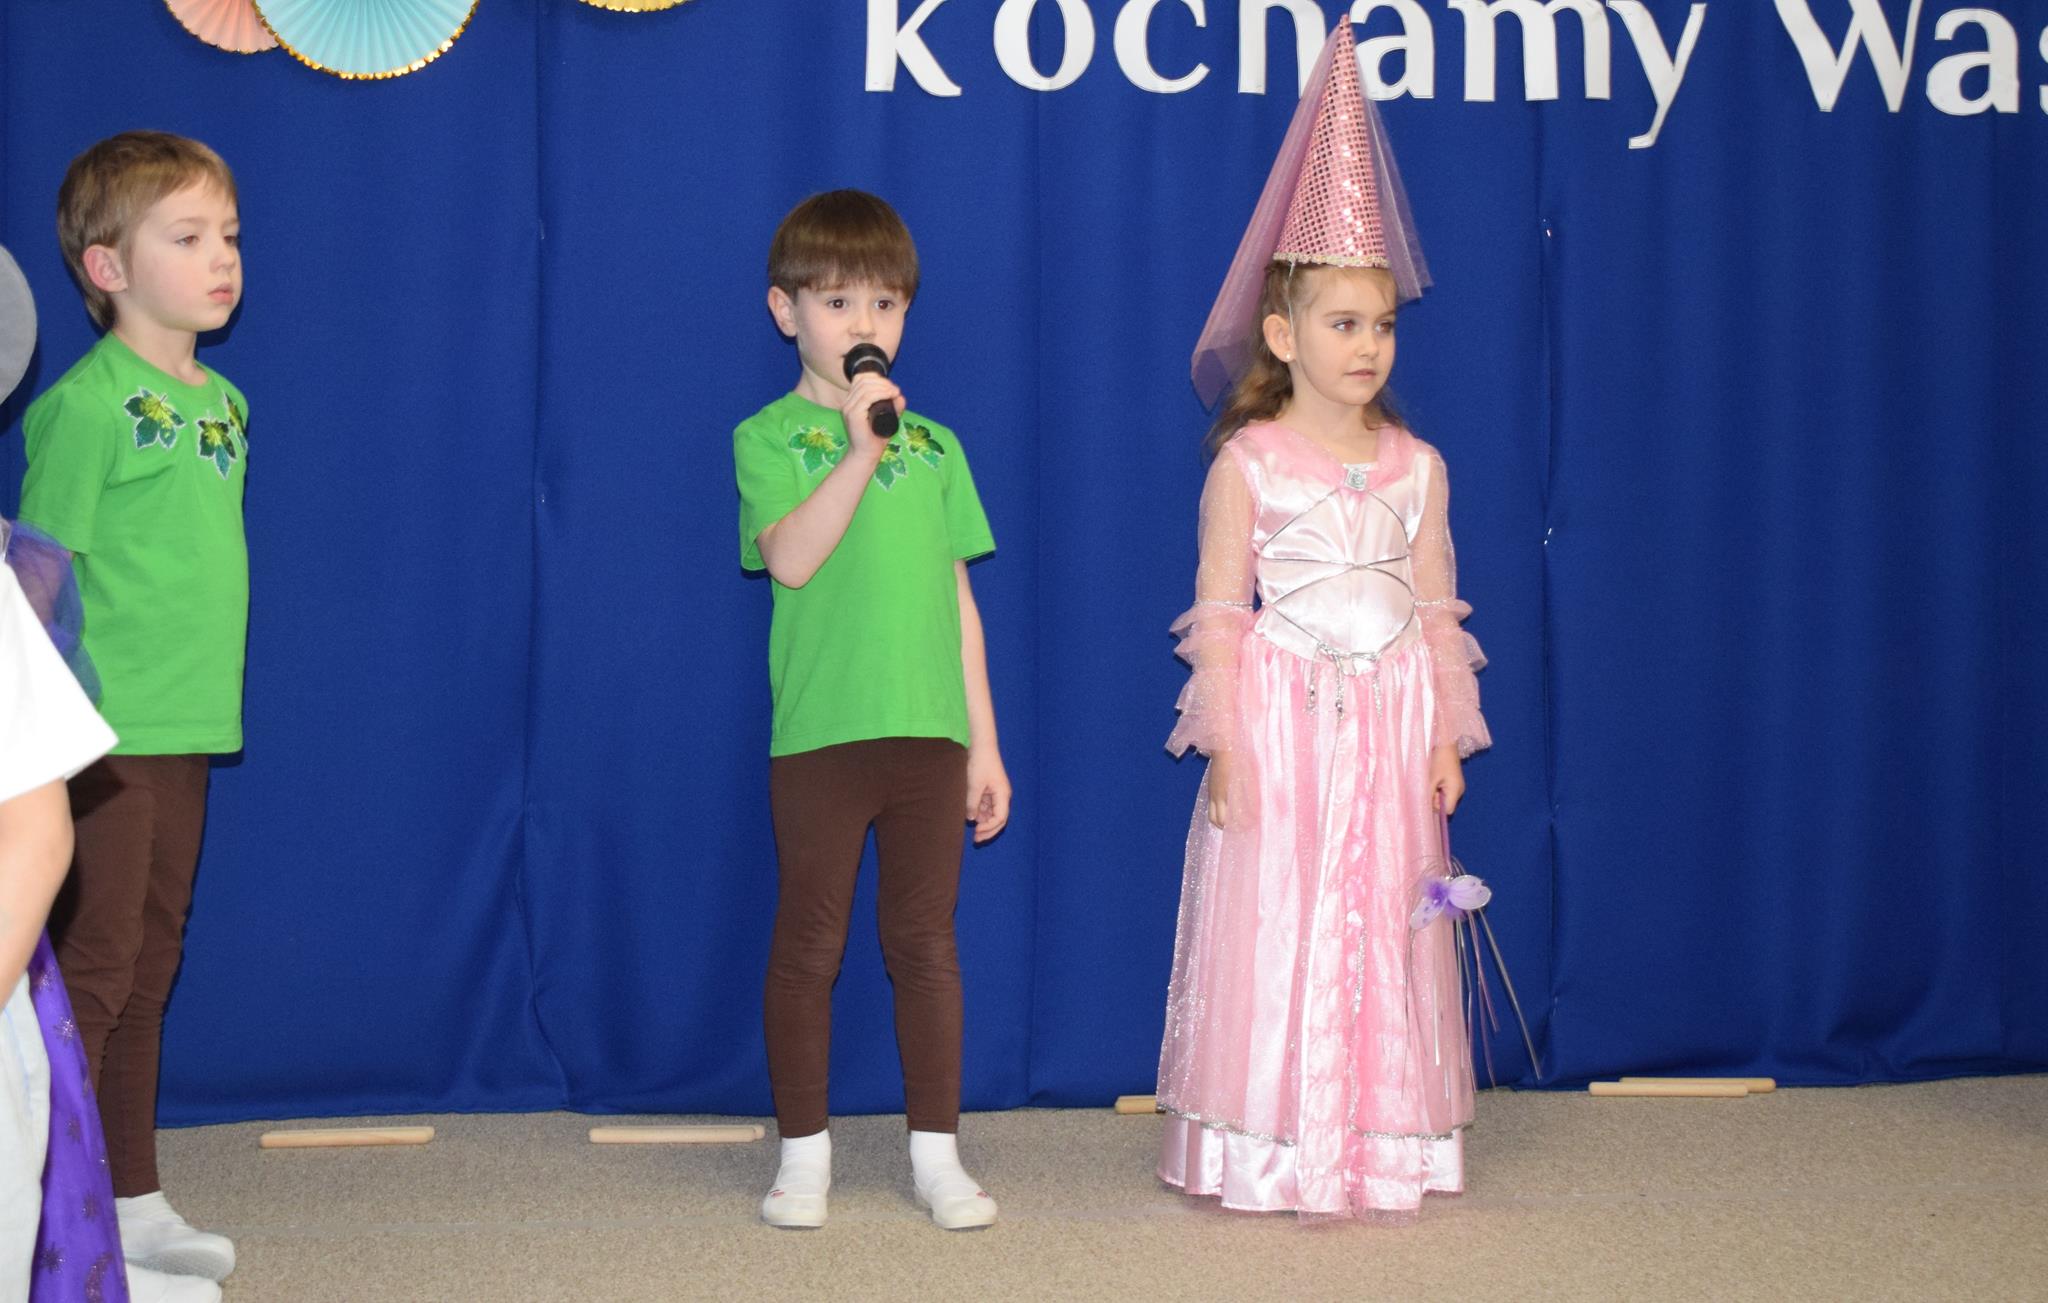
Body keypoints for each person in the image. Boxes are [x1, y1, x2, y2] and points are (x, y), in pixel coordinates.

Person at [1155, 24, 1491, 1223]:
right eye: (1341, 323)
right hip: (1285, 718)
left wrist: (1444, 733)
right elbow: (1217, 611)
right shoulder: (1248, 461)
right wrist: (1227, 745)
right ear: (1282, 335)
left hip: (1390, 721)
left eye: (1381, 324)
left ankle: (1380, 1138)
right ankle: (1271, 1143)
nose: (1367, 346)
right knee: (1284, 914)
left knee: (1386, 914)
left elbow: (1436, 608)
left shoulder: (1417, 465)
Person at [734, 189, 1009, 1230]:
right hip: (822, 734)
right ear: (786, 310)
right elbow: (791, 560)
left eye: (885, 304)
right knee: (810, 942)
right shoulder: (768, 437)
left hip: (928, 733)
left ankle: (936, 1153)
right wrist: (857, 450)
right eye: (838, 300)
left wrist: (984, 743)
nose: (865, 324)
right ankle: (803, 1154)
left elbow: (958, 599)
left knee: (924, 944)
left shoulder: (935, 445)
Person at [16, 132, 247, 1282]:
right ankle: (56, 1224)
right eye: (188, 236)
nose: (223, 258)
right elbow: (37, 582)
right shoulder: (85, 407)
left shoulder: (226, 402)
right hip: (104, 742)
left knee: (151, 960)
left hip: (187, 727)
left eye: (229, 235)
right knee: (97, 970)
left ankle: (133, 1196)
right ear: (106, 268)